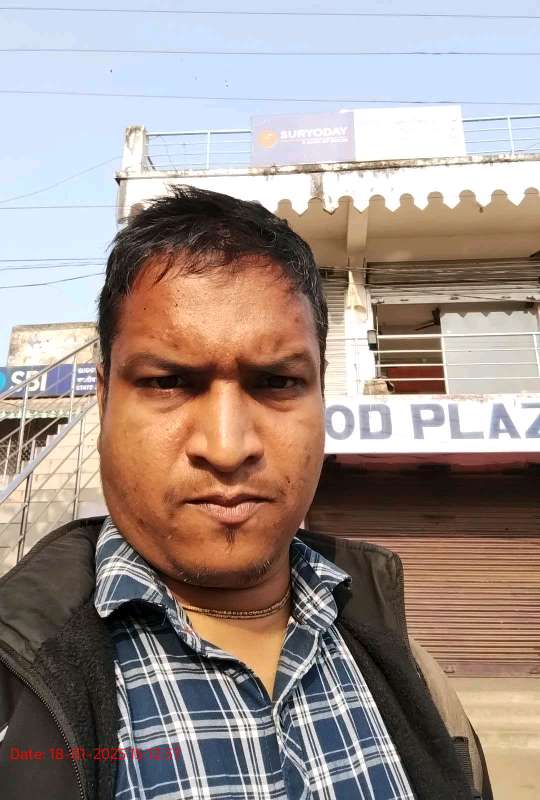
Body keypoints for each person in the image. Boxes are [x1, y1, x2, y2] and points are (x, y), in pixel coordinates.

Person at [0, 185, 492, 800]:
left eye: (277, 382)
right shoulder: (18, 683)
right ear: (103, 401)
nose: (228, 447)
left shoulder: (408, 667)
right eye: (168, 381)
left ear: (321, 397)